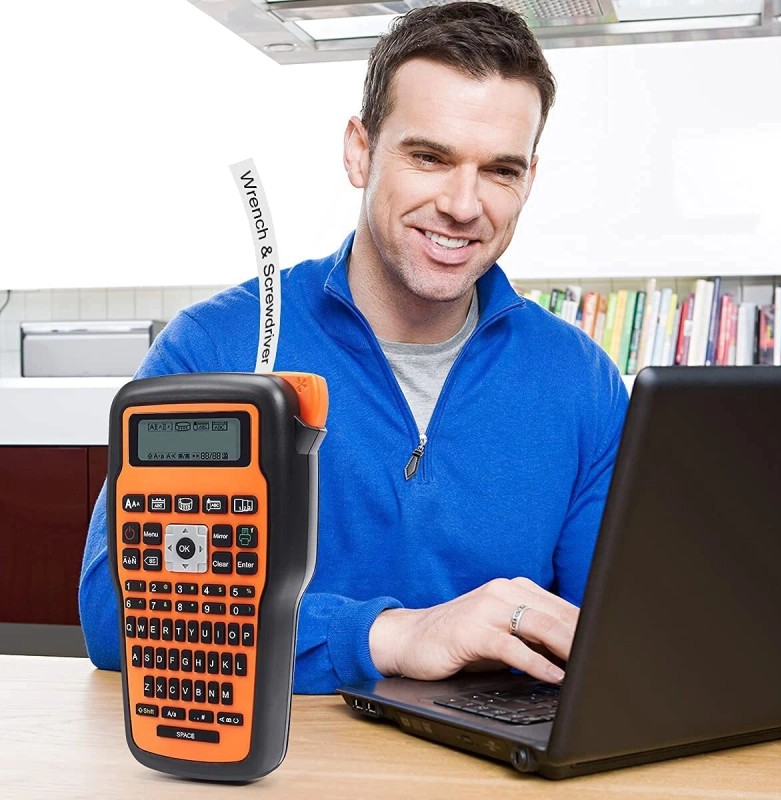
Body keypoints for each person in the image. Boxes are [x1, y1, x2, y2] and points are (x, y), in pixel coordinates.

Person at [79, 1, 628, 693]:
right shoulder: (217, 347)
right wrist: (390, 636)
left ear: (529, 180)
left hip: (500, 752)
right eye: (429, 157)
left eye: (500, 171)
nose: (464, 205)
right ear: (359, 152)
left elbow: (613, 631)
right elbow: (120, 611)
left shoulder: (582, 381)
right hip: (285, 755)